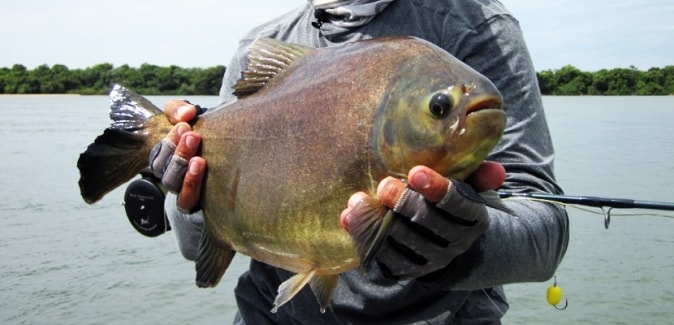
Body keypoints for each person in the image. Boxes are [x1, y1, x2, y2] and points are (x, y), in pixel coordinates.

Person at [150, 0, 569, 323]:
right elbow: (193, 245)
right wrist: (186, 197)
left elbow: (544, 235)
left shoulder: (478, 28)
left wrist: (460, 246)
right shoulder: (258, 47)